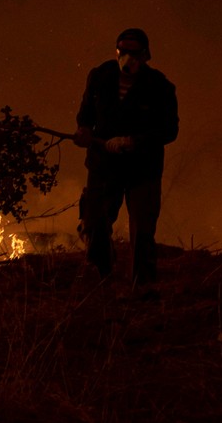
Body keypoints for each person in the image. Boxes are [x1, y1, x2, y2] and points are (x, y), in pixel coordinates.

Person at [73, 28, 178, 286]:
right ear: (116, 50)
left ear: (145, 55)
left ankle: (142, 290)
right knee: (94, 224)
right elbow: (86, 113)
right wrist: (84, 131)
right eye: (123, 51)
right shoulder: (99, 77)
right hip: (103, 165)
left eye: (134, 52)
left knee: (142, 231)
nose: (127, 57)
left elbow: (169, 130)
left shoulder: (160, 87)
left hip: (142, 169)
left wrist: (134, 142)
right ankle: (103, 279)